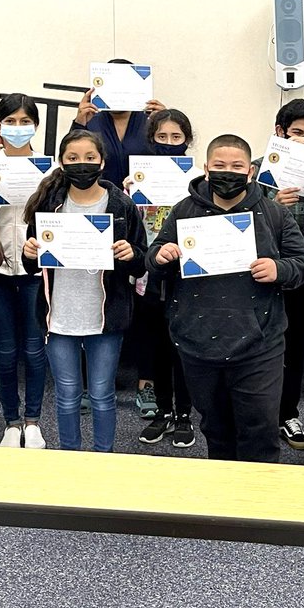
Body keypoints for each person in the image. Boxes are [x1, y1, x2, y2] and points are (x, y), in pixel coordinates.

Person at [147, 134, 304, 463]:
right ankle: (223, 506)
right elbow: (153, 258)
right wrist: (161, 255)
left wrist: (279, 268)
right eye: (219, 165)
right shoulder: (184, 210)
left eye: (237, 166)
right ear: (206, 169)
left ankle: (259, 507)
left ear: (251, 171)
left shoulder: (274, 214)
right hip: (198, 342)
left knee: (260, 431)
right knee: (216, 429)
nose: (228, 172)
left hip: (259, 345)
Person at [22, 130, 148, 452]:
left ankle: (103, 457)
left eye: (89, 158)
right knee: (66, 394)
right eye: (73, 159)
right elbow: (32, 266)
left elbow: (141, 263)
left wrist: (131, 254)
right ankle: (70, 457)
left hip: (105, 316)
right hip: (60, 315)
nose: (82, 164)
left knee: (103, 393)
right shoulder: (48, 204)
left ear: (102, 162)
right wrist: (30, 253)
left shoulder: (121, 205)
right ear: (61, 163)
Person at [0, 94, 49, 449]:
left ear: (35, 126)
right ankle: (11, 421)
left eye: (25, 121)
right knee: (4, 351)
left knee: (35, 349)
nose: (18, 128)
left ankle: (33, 420)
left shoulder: (50, 169)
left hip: (36, 269)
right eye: (10, 122)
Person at [253, 98, 304, 451]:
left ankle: (287, 414)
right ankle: (257, 417)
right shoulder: (255, 170)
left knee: (294, 347)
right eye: (297, 133)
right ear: (279, 132)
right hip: (257, 275)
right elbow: (233, 219)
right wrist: (269, 202)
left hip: (300, 275)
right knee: (256, 346)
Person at [134, 109, 197, 448]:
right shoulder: (139, 175)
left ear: (187, 140)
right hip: (150, 273)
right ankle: (162, 411)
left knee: (182, 348)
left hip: (188, 277)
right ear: (151, 139)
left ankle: (185, 414)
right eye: (162, 137)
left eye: (177, 137)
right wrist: (132, 194)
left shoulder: (199, 177)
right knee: (156, 346)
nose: (170, 143)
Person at [70, 57, 166, 189]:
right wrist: (79, 123)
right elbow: (71, 159)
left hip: (142, 202)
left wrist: (164, 125)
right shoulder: (90, 121)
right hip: (99, 199)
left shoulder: (150, 120)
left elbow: (169, 163)